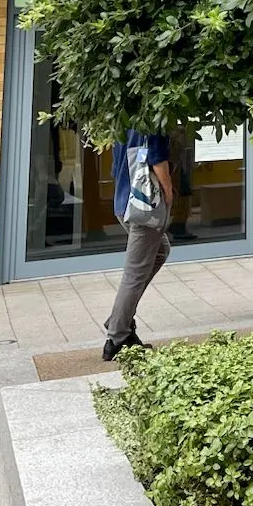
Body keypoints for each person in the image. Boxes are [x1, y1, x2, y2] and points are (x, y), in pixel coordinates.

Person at [102, 129, 173, 361]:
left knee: (161, 250)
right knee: (134, 274)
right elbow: (157, 160)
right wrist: (169, 195)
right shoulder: (153, 119)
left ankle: (118, 319)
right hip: (144, 207)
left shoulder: (124, 118)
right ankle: (118, 336)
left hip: (124, 202)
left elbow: (115, 167)